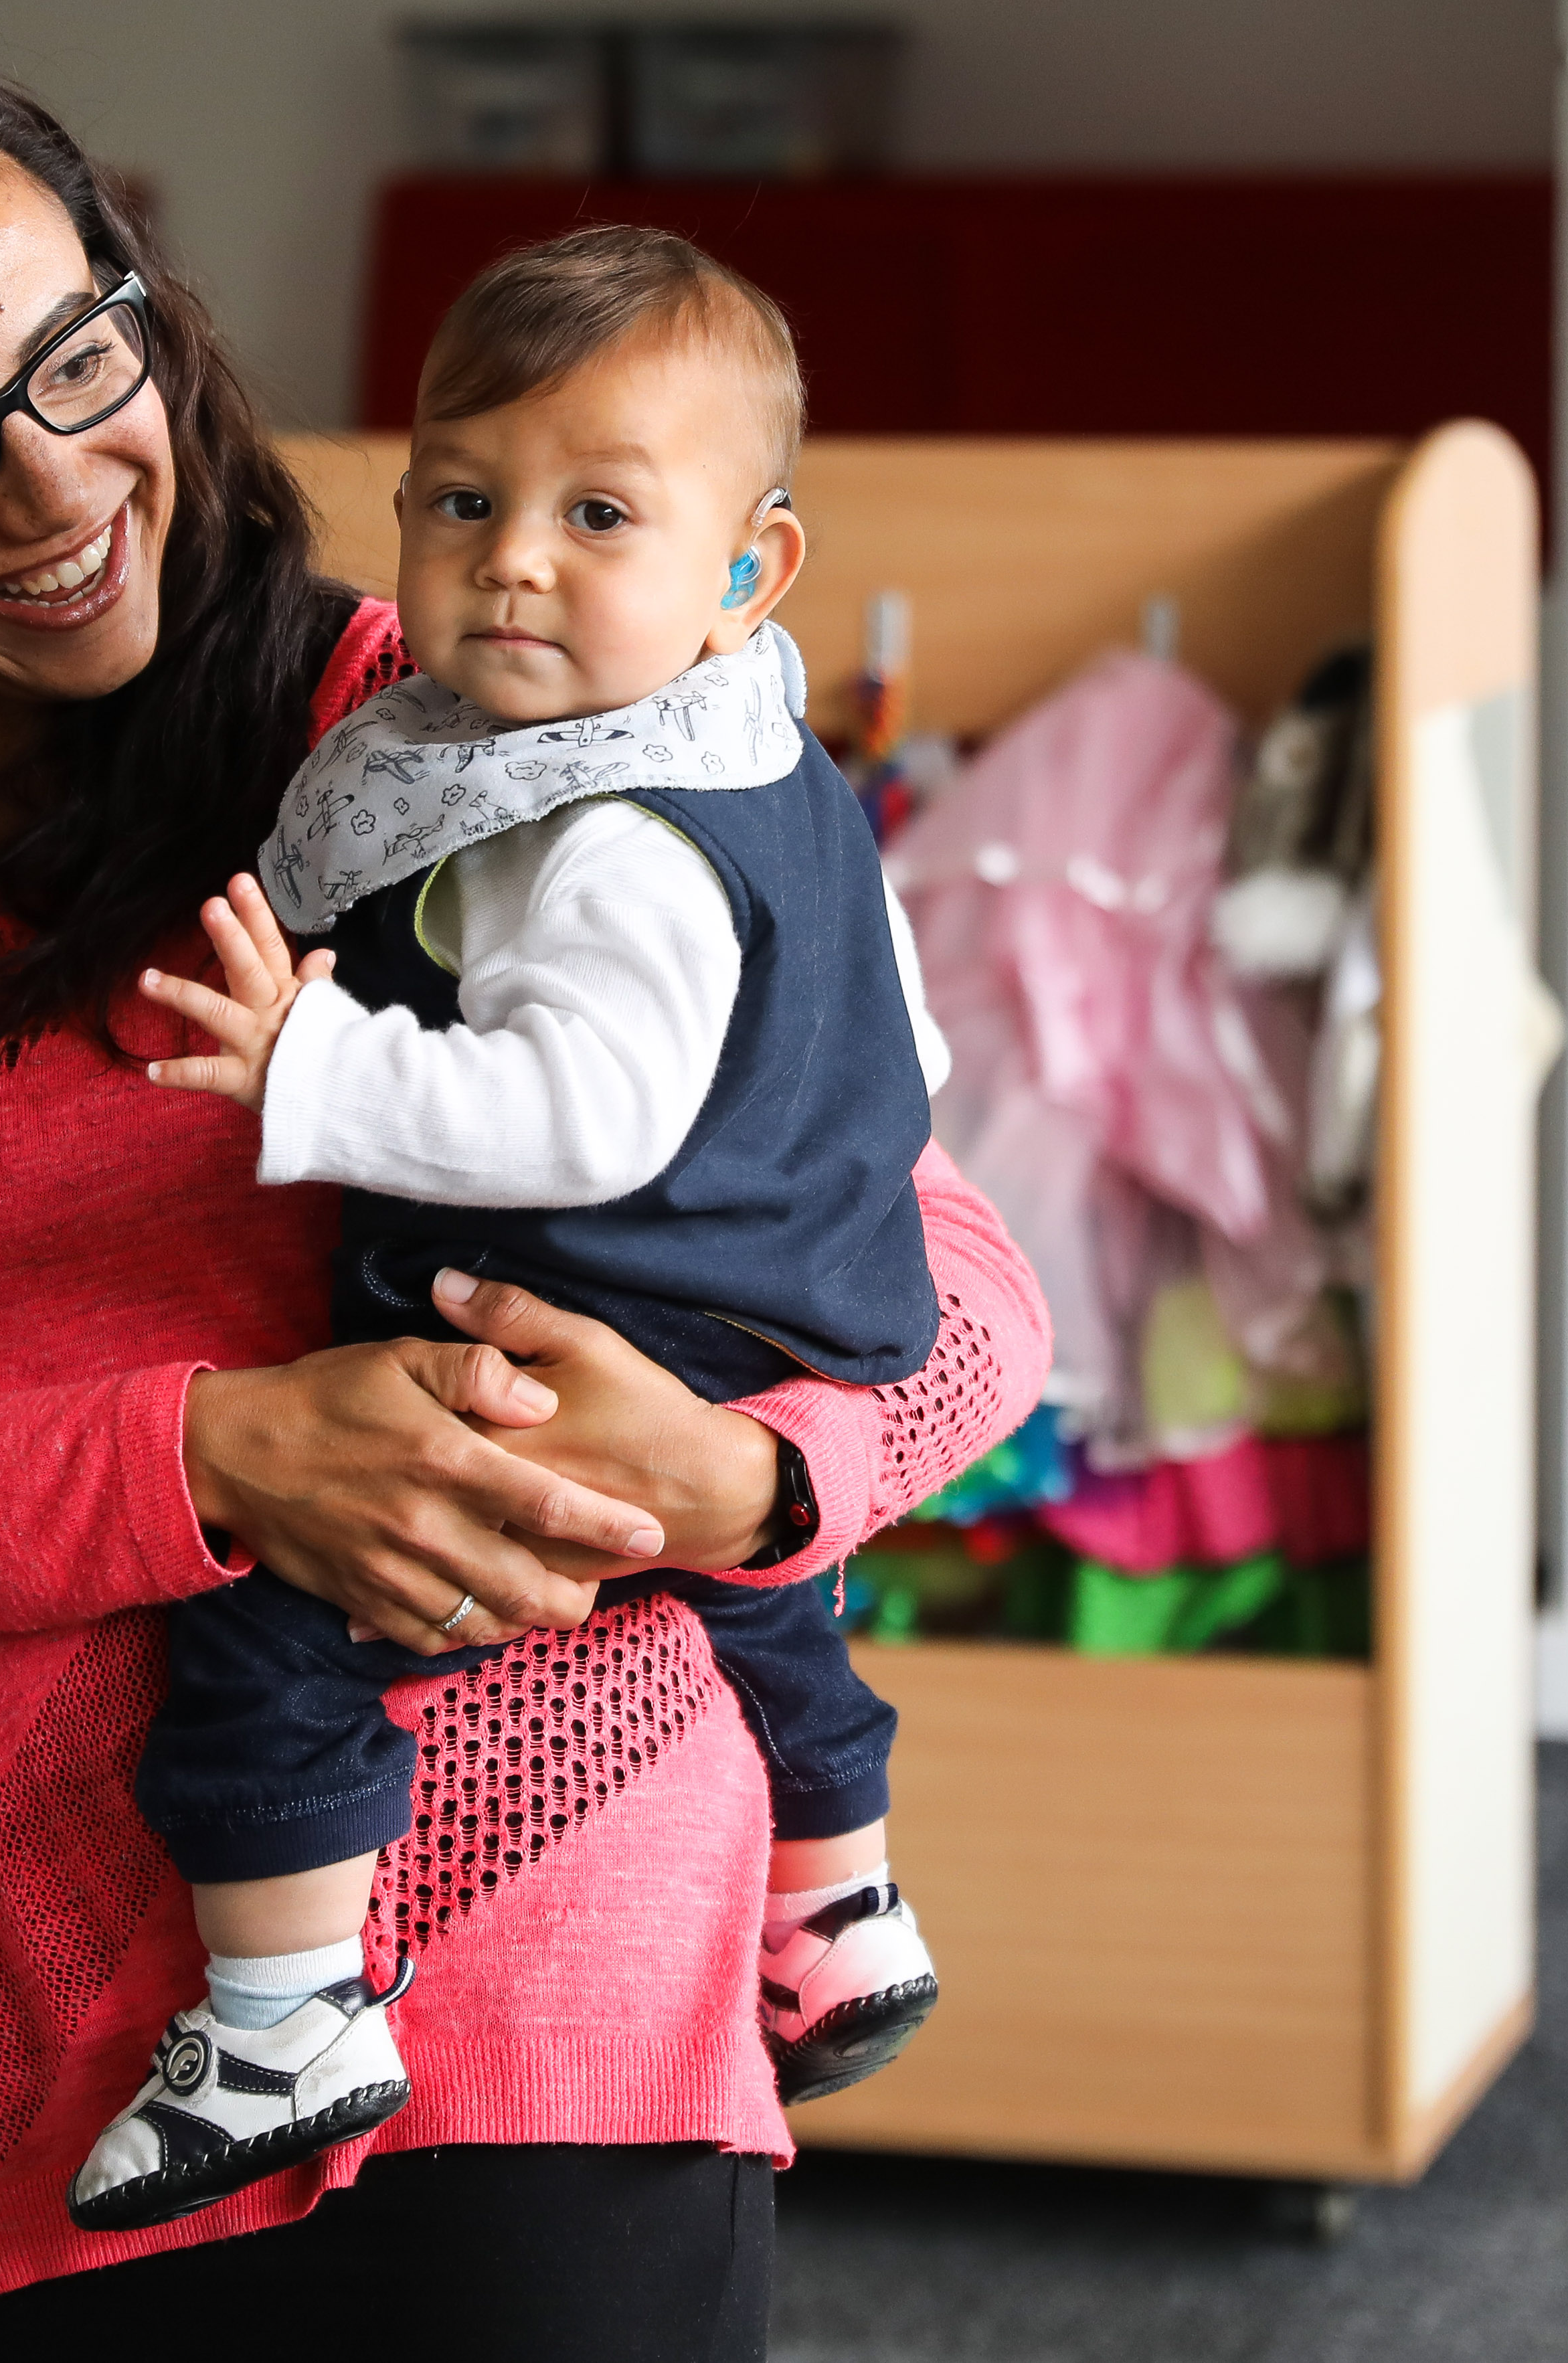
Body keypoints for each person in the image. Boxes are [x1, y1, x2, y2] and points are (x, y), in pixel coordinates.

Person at [0, 39, 1044, 2360]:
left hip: (551, 1967)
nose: (60, 482)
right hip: (43, 2060)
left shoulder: (439, 750)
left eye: (78, 358)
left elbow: (961, 1278)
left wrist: (741, 1475)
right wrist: (221, 1452)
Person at [70, 229, 947, 2235]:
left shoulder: (599, 824)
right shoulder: (766, 758)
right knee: (761, 1596)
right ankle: (843, 1903)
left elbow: (582, 1111)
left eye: (600, 513)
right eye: (464, 500)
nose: (517, 557)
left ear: (753, 571)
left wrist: (317, 1063)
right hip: (782, 1304)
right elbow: (915, 1044)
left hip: (583, 1325)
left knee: (276, 1628)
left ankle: (285, 2012)